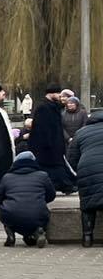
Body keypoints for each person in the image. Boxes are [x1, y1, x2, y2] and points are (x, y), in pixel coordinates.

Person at [0, 150, 56, 247]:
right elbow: (52, 195)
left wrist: (0, 205)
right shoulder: (42, 175)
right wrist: (41, 200)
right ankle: (38, 231)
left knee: (6, 214)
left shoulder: (7, 177)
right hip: (38, 213)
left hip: (11, 214)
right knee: (40, 217)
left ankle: (10, 234)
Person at [29, 85, 77, 194]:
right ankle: (66, 185)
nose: (60, 96)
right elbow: (43, 128)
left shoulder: (50, 106)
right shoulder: (43, 107)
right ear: (51, 93)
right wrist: (50, 144)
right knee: (55, 166)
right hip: (48, 145)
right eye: (58, 93)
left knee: (53, 166)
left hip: (52, 144)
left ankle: (64, 185)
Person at [67, 107, 103, 246]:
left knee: (88, 206)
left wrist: (79, 172)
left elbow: (72, 157)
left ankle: (87, 238)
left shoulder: (81, 132)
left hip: (88, 169)